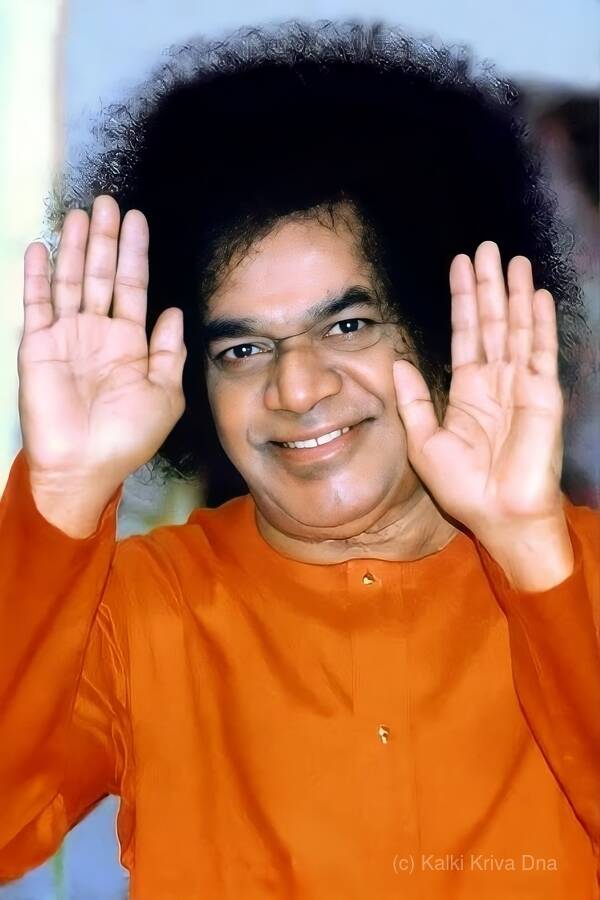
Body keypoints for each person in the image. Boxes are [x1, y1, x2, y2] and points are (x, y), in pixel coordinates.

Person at [1, 22, 598, 900]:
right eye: (242, 349)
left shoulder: (577, 577)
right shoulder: (144, 609)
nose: (296, 386)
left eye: (347, 325)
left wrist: (534, 554)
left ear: (442, 330)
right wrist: (60, 490)